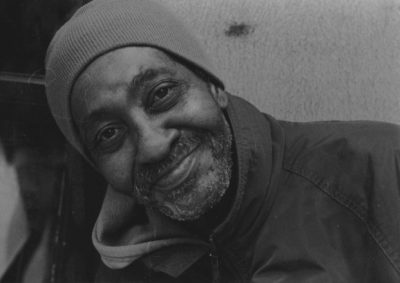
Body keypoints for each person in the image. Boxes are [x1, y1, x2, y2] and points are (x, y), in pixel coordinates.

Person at [45, 0, 400, 282]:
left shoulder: (383, 170)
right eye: (109, 134)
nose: (153, 145)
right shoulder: (125, 272)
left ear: (213, 87)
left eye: (162, 94)